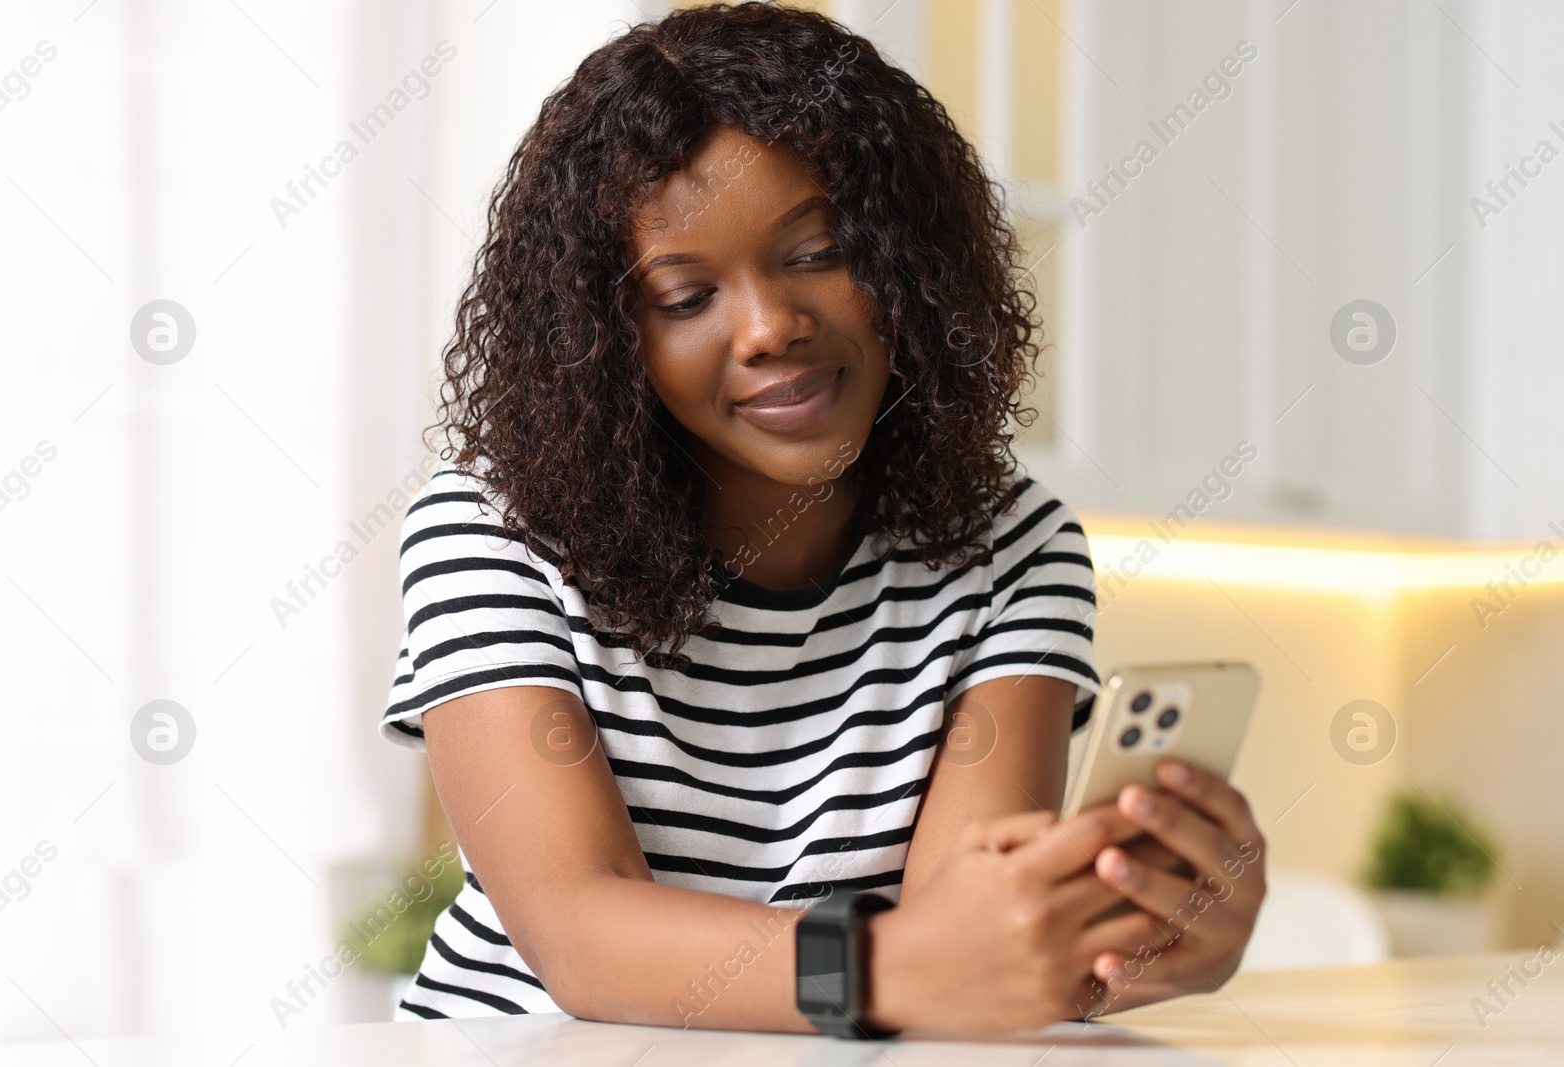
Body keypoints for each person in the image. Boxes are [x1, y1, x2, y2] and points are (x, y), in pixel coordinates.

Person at [379, 1, 1265, 1035]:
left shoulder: (1012, 547)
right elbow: (581, 935)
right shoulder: (490, 529)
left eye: (816, 252)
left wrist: (1105, 943)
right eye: (682, 296)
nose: (769, 328)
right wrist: (900, 967)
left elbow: (956, 935)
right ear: (607, 338)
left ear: (906, 259)